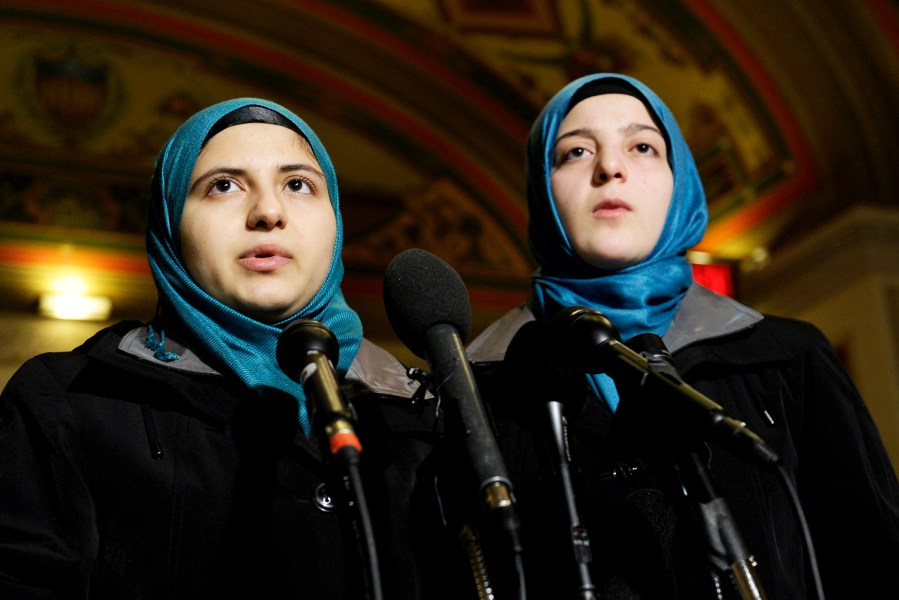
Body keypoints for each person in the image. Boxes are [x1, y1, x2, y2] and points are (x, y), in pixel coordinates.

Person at [463, 73, 899, 598]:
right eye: (575, 152)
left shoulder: (788, 356)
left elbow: (872, 561)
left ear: (680, 181)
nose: (610, 168)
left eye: (642, 146)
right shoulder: (476, 384)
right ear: (542, 186)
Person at [0, 98, 439, 598]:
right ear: (171, 223)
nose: (269, 213)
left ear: (334, 218)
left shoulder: (420, 412)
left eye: (298, 185)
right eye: (223, 186)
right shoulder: (70, 401)